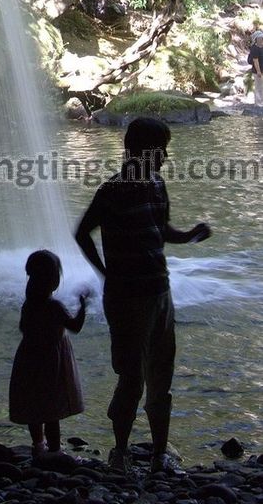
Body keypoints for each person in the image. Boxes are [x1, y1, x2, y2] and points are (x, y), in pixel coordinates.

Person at [75, 117, 212, 475]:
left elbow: (161, 230)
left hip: (159, 292)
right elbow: (82, 233)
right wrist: (106, 274)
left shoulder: (155, 185)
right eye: (160, 149)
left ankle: (158, 455)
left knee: (160, 374)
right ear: (139, 151)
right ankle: (119, 453)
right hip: (127, 299)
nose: (166, 156)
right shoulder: (112, 191)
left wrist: (191, 236)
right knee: (132, 377)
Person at [9, 250, 87, 459]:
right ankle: (54, 450)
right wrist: (83, 306)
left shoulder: (29, 305)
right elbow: (76, 327)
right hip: (51, 362)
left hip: (29, 358)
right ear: (53, 280)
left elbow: (23, 328)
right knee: (52, 409)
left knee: (35, 404)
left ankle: (38, 444)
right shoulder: (54, 306)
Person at [247, 31, 263, 106]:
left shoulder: (261, 46)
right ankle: (258, 104)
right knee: (258, 87)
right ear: (256, 39)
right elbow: (255, 61)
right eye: (260, 38)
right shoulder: (254, 48)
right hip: (257, 72)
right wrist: (258, 71)